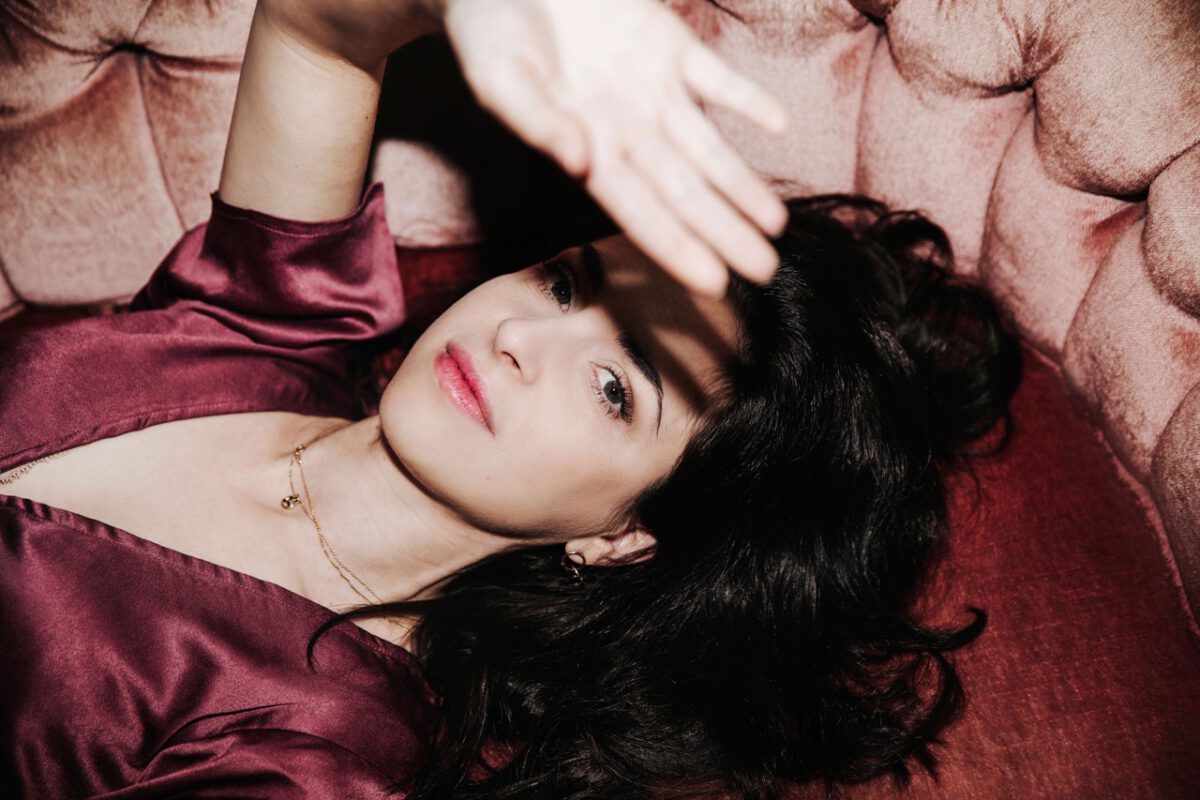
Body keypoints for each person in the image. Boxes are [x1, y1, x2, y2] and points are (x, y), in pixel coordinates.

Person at [0, 0, 1019, 797]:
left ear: (627, 536)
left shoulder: (313, 751)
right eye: (568, 285)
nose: (521, 337)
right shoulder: (273, 320)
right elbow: (319, 25)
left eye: (616, 388)